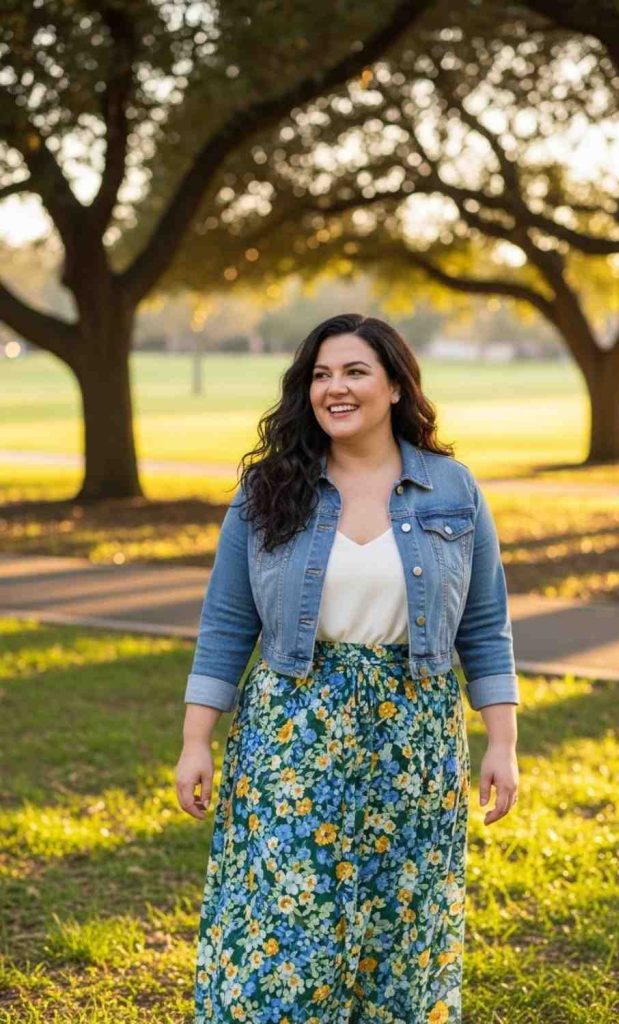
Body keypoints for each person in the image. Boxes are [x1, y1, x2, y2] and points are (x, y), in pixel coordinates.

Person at [175, 313, 520, 1024]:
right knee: (286, 929)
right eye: (320, 375)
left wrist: (503, 742)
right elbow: (226, 623)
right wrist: (195, 739)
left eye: (354, 372)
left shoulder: (452, 489)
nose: (334, 388)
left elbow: (484, 626)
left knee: (400, 927)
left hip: (413, 738)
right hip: (290, 733)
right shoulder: (269, 489)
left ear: (395, 385)